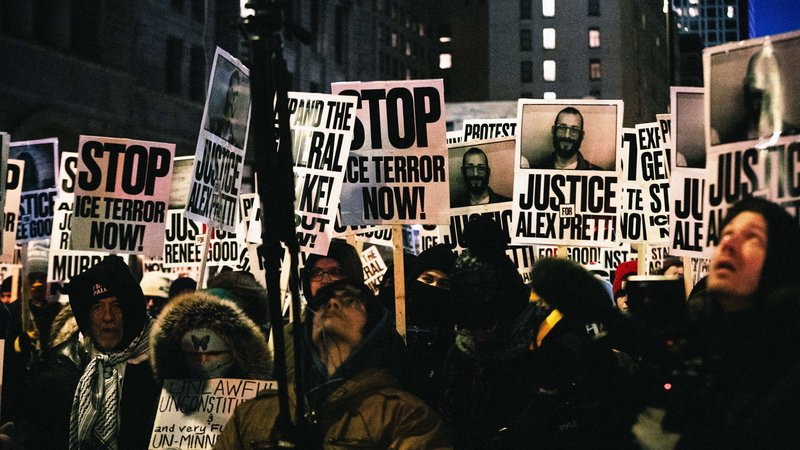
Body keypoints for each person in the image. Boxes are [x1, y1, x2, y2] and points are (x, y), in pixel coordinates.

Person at [634, 197, 800, 448]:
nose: (729, 243)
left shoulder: (787, 378)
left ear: (781, 260)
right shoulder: (703, 348)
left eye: (752, 237)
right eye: (726, 234)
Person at [215, 280, 452, 448]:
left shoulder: (405, 416)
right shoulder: (256, 412)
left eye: (350, 301)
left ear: (374, 329)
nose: (332, 305)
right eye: (322, 303)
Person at [64, 255, 160, 450]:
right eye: (98, 307)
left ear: (131, 311)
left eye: (116, 306)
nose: (108, 317)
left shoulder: (161, 367)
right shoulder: (64, 365)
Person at [150, 290, 272, 384]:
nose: (202, 360)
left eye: (214, 353)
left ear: (237, 352)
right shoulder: (164, 400)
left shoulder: (260, 404)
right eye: (193, 355)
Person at [713, 46, 799, 145]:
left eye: (767, 81)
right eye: (753, 80)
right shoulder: (729, 140)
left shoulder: (795, 136)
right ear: (746, 85)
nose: (759, 88)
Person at [533, 107, 600, 170]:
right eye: (562, 128)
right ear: (554, 131)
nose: (567, 136)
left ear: (581, 135)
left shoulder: (597, 173)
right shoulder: (535, 170)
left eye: (574, 130)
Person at [209, 70, 244, 148]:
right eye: (232, 91)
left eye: (236, 94)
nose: (234, 97)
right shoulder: (218, 112)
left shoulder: (234, 116)